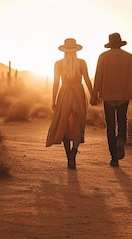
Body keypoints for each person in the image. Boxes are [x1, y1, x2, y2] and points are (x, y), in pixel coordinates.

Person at [90, 33, 132, 167]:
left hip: (108, 96)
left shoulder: (103, 57)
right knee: (122, 120)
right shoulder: (129, 57)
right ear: (120, 43)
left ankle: (114, 158)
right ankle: (121, 139)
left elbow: (98, 77)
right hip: (124, 95)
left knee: (110, 126)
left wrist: (94, 95)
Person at [46, 38, 93, 169]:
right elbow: (87, 80)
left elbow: (56, 83)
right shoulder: (82, 62)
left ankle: (68, 156)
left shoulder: (58, 64)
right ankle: (74, 152)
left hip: (64, 93)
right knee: (78, 123)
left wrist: (53, 100)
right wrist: (93, 95)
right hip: (78, 92)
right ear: (76, 50)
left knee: (64, 124)